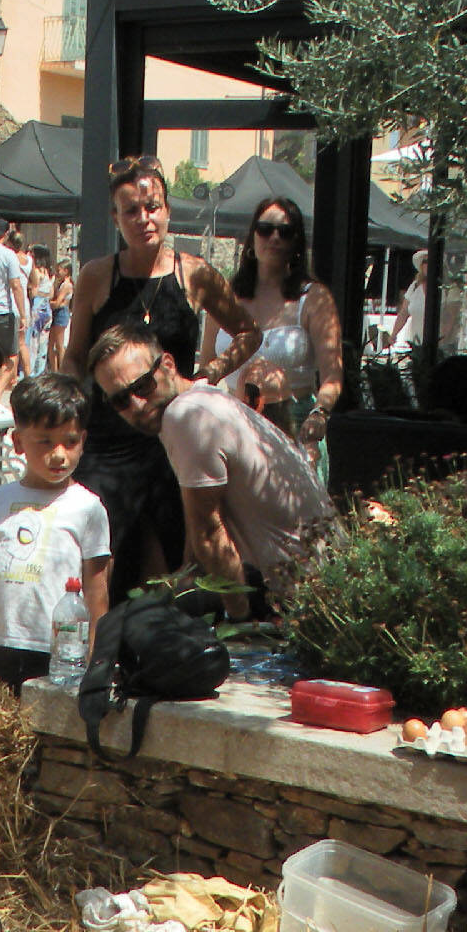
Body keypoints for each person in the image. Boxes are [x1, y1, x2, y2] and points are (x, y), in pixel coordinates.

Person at [63, 155, 257, 602]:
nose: (143, 219)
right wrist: (74, 414)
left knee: (175, 557)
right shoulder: (96, 275)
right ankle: (98, 647)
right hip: (110, 439)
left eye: (152, 207)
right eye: (130, 210)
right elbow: (74, 357)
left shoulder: (196, 273)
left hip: (175, 433)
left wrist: (212, 372)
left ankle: (165, 647)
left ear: (167, 210)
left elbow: (248, 331)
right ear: (115, 217)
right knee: (100, 555)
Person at [89, 322, 333, 615]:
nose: (137, 405)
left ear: (167, 364)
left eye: (142, 386)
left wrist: (239, 622)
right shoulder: (205, 399)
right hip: (322, 584)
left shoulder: (186, 415)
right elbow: (200, 529)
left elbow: (209, 534)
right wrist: (182, 577)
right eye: (119, 400)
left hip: (301, 605)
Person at [0, 372, 110, 693]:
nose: (59, 453)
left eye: (70, 442)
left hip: (60, 654)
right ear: (17, 442)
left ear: (83, 441)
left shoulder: (88, 507)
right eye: (45, 441)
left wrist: (97, 657)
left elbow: (97, 589)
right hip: (3, 645)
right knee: (2, 734)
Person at [202, 196, 345, 464]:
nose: (274, 238)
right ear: (252, 238)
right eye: (265, 229)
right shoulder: (226, 296)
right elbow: (207, 367)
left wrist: (320, 413)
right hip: (235, 426)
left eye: (285, 231)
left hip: (295, 427)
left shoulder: (314, 298)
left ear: (297, 243)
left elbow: (332, 375)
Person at [0, 218, 29, 404]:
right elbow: (16, 285)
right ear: (6, 234)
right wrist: (23, 314)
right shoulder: (8, 255)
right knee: (11, 356)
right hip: (3, 309)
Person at [390, 250, 429, 350]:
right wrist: (393, 334)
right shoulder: (415, 286)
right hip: (416, 343)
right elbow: (404, 313)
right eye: (424, 262)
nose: (427, 265)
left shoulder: (446, 288)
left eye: (430, 261)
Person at [26, 247, 54, 376]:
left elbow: (34, 291)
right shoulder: (49, 273)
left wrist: (30, 290)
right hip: (47, 309)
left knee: (33, 342)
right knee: (44, 341)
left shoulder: (36, 272)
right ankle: (41, 370)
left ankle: (31, 372)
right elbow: (51, 294)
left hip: (37, 307)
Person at [47, 258, 75, 372]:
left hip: (61, 313)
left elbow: (58, 303)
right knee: (51, 345)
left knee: (59, 345)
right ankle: (54, 370)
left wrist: (49, 303)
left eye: (59, 271)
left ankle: (62, 370)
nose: (57, 273)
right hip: (59, 313)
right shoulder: (60, 284)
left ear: (66, 271)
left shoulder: (66, 285)